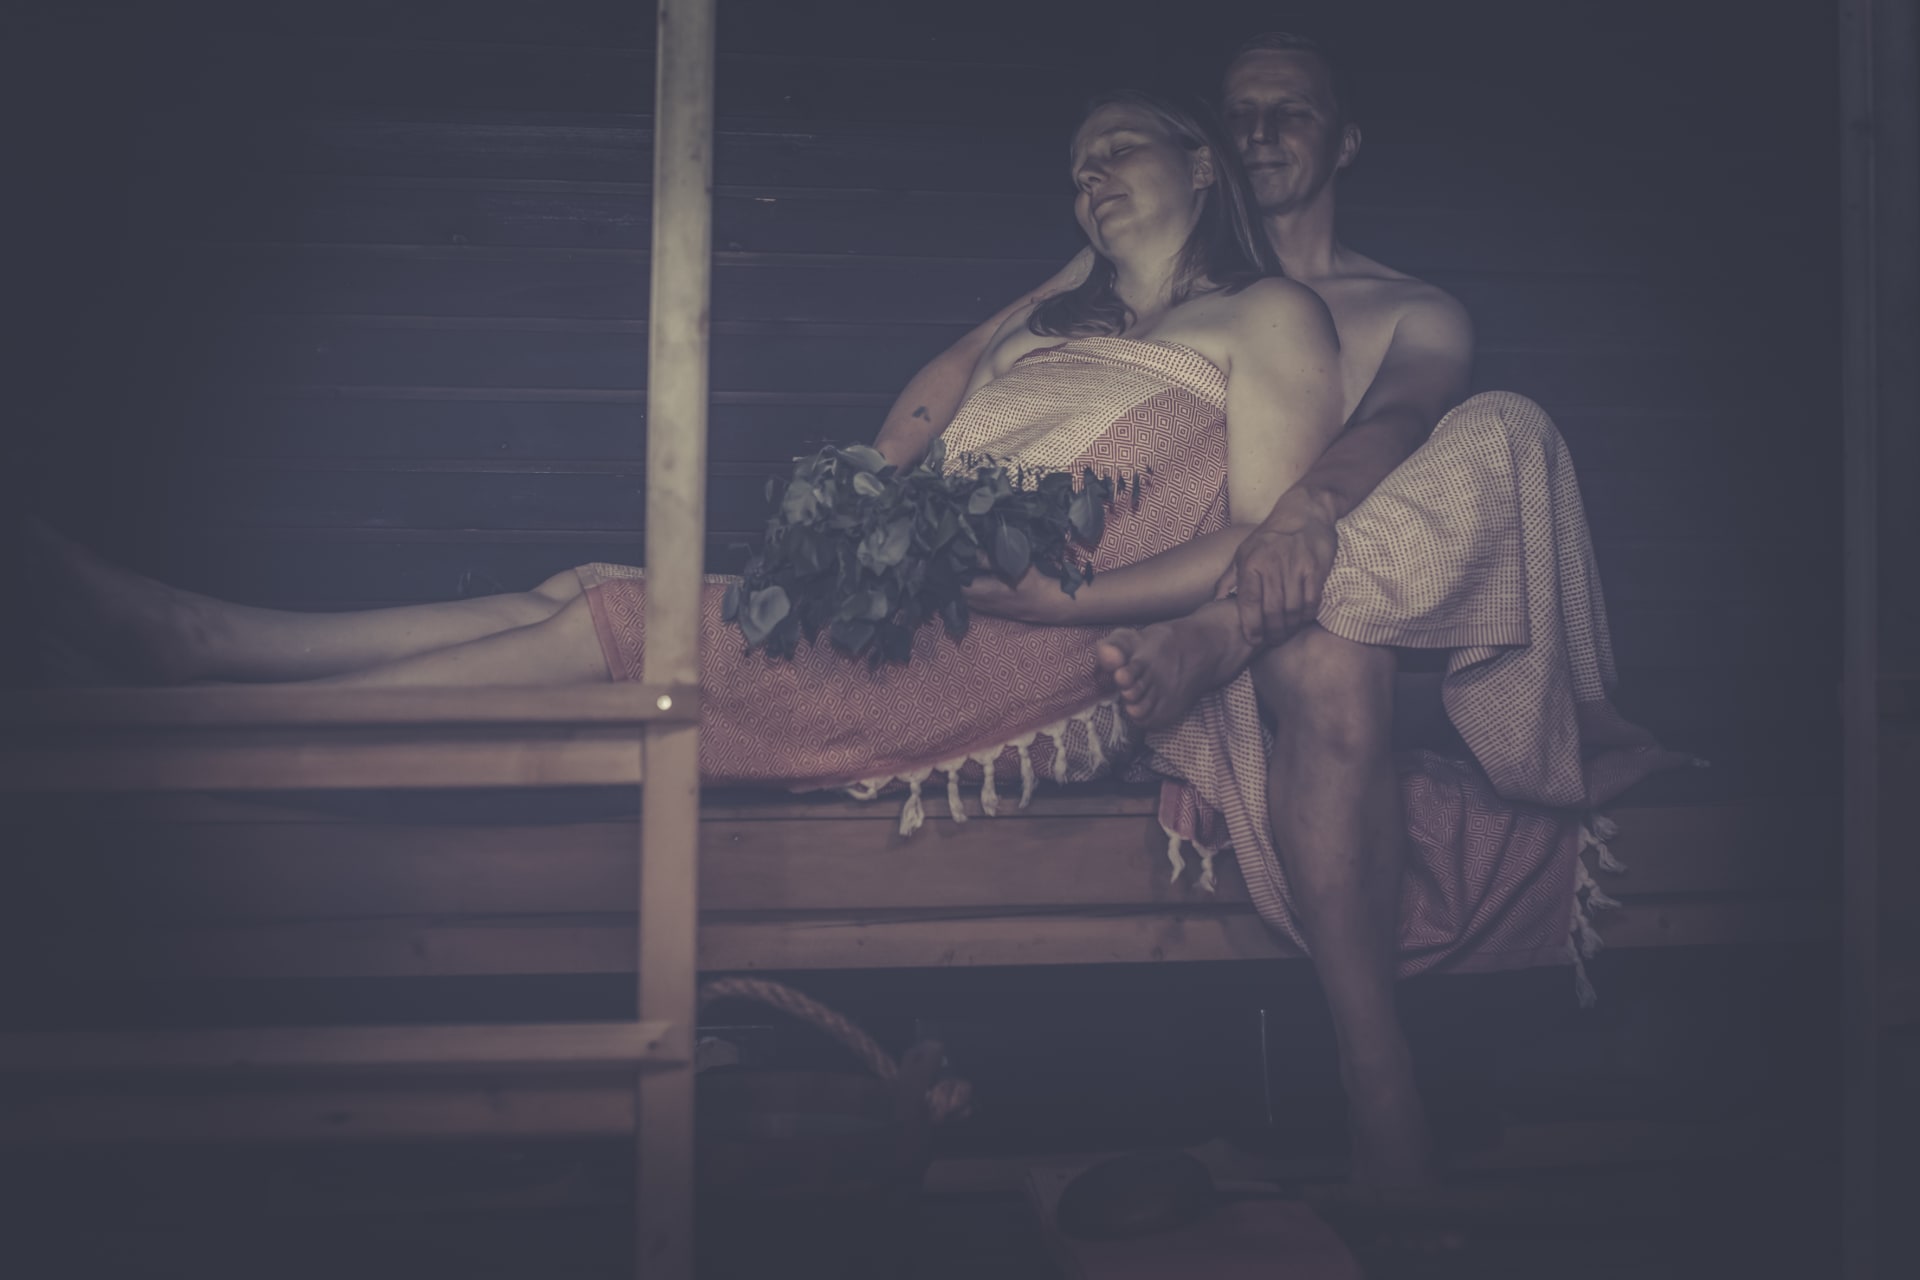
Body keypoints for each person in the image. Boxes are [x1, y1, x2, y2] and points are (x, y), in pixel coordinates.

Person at [33, 91, 1343, 806]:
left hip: (1031, 659)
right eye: (1074, 167)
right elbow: (924, 427)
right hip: (927, 620)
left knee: (618, 619)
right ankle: (207, 646)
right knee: (588, 586)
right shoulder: (1050, 332)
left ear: (1202, 166)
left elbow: (1260, 541)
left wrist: (1071, 598)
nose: (1090, 172)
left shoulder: (1270, 317)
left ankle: (208, 730)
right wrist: (872, 513)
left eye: (1118, 148)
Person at [872, 33, 1470, 1189]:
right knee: (1304, 625)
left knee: (1339, 638)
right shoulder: (1122, 278)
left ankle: (1375, 1070)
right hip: (1163, 595)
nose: (1261, 135)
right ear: (1208, 149)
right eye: (1240, 114)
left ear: (1346, 140)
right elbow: (972, 358)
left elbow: (1399, 429)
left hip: (1305, 597)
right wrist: (865, 506)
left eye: (1291, 113)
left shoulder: (1410, 309)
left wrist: (1298, 522)